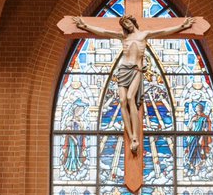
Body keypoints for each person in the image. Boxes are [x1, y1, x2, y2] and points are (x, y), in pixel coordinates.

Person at [73, 14, 196, 155]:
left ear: (133, 21)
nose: (126, 25)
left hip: (137, 70)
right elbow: (103, 32)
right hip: (123, 69)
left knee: (131, 98)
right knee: (122, 101)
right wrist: (85, 26)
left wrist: (182, 26)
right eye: (124, 23)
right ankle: (131, 136)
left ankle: (136, 136)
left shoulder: (144, 34)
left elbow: (163, 31)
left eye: (128, 22)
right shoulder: (123, 37)